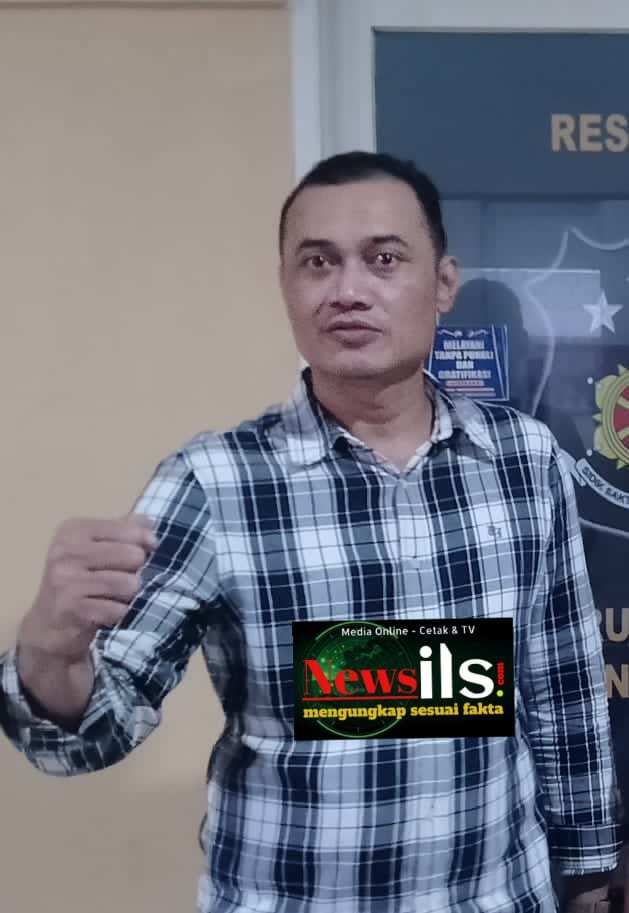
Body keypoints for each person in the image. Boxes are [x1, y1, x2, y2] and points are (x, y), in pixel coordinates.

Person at [0, 151, 620, 913]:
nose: (348, 290)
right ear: (287, 287)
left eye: (383, 259)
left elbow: (562, 684)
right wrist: (50, 655)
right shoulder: (214, 482)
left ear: (443, 284)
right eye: (317, 262)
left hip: (499, 896)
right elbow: (92, 733)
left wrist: (588, 868)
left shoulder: (524, 459)